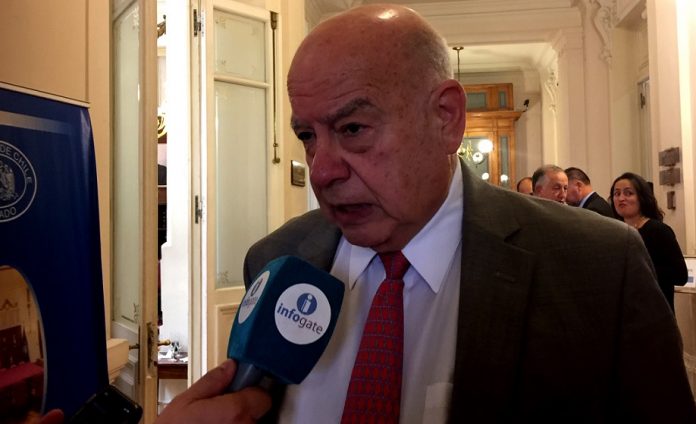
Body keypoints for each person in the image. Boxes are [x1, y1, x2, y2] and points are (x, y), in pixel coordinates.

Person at [157, 4, 696, 423]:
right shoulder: (276, 259)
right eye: (307, 136)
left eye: (352, 129)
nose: (321, 171)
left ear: (446, 117)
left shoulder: (598, 267)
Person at [610, 172, 688, 312]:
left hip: (654, 311)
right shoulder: (614, 231)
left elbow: (680, 275)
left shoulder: (659, 231)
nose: (621, 198)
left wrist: (638, 270)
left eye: (628, 193)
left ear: (642, 197)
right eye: (617, 194)